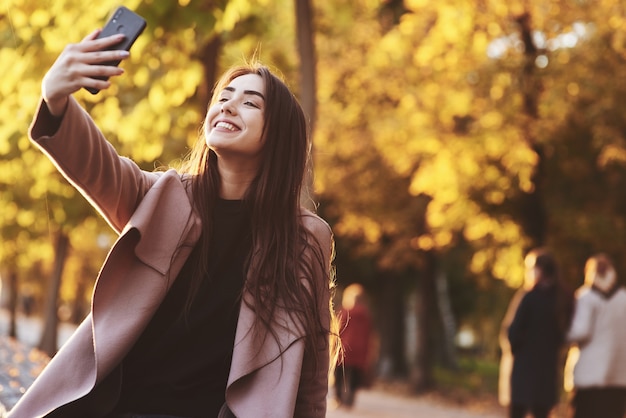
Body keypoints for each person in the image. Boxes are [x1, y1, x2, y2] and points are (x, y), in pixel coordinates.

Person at [8, 28, 338, 418]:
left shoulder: (304, 238)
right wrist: (56, 97)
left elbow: (311, 371)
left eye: (250, 103)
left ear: (278, 135)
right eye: (224, 97)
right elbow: (99, 167)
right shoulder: (165, 196)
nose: (228, 107)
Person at [500, 248, 574, 418]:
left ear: (539, 270)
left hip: (524, 369)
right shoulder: (563, 297)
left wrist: (517, 349)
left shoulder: (529, 297)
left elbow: (512, 332)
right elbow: (565, 334)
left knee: (517, 412)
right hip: (547, 371)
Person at [565, 253, 626, 418]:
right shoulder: (623, 298)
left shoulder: (586, 297)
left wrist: (563, 335)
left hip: (590, 377)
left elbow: (580, 331)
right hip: (618, 376)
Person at [334, 283, 373, 409]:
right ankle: (350, 399)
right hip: (359, 350)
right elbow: (368, 335)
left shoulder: (344, 312)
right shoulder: (366, 316)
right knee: (355, 375)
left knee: (340, 374)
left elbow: (337, 330)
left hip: (343, 348)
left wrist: (334, 346)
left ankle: (339, 398)